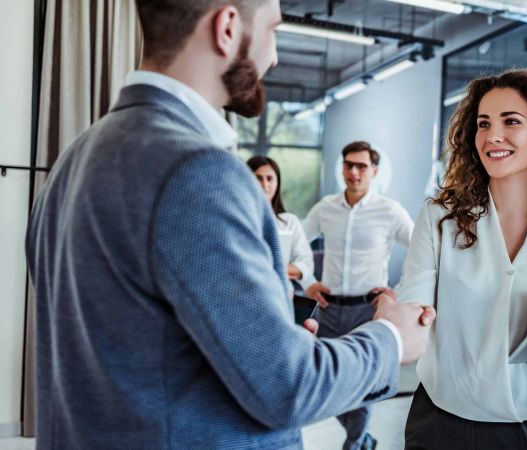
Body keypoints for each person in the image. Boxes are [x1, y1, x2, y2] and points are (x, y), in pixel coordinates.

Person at [25, 1, 435, 448]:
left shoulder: (72, 160)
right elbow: (289, 387)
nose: (274, 56)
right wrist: (391, 338)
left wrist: (264, 335)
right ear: (226, 28)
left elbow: (133, 350)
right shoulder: (197, 172)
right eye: (273, 31)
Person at [400, 69, 527, 449]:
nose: (492, 135)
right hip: (438, 423)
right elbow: (412, 314)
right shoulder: (439, 218)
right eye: (483, 124)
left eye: (511, 121)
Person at [302, 141, 415, 450]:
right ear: (342, 169)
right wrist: (309, 282)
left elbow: (422, 249)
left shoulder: (389, 211)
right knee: (325, 382)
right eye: (349, 165)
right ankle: (363, 439)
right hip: (328, 310)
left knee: (364, 386)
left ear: (374, 171)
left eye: (361, 166)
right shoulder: (325, 207)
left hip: (367, 312)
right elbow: (297, 244)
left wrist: (398, 292)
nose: (354, 172)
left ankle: (354, 445)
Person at [247, 156, 315, 293]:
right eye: (258, 178)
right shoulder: (238, 222)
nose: (265, 185)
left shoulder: (289, 222)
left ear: (277, 182)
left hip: (280, 296)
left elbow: (306, 264)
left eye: (269, 179)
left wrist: (276, 268)